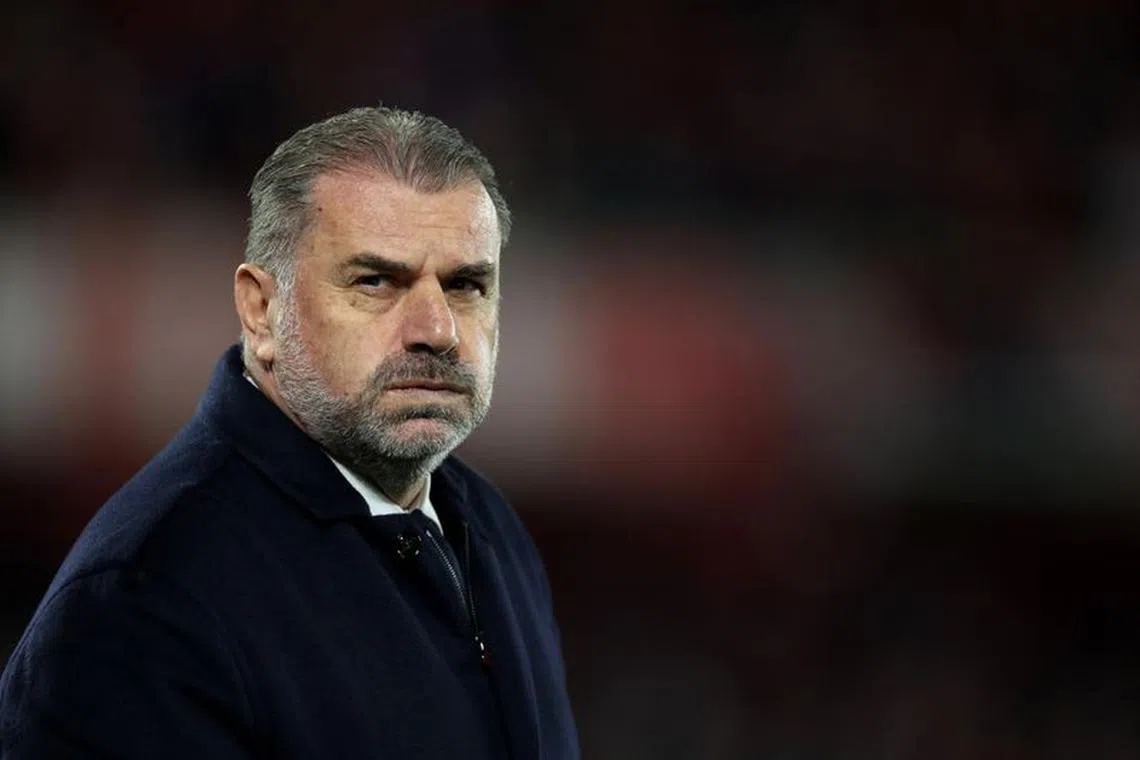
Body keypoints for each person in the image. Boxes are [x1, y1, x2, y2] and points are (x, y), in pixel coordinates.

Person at [0, 106, 580, 759]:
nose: (438, 329)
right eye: (376, 281)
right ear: (261, 310)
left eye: (466, 283)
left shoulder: (493, 533)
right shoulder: (146, 601)